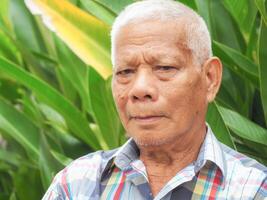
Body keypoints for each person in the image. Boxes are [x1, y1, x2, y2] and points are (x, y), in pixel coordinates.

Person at [42, 0, 267, 199]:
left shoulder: (252, 189)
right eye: (125, 72)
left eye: (164, 67)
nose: (139, 89)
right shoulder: (77, 184)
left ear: (209, 78)